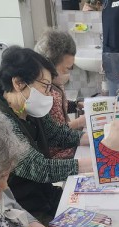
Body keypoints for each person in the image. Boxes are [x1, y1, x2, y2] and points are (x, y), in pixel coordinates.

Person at [0, 46, 93, 224]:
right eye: (45, 87)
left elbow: (58, 134)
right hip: (21, 209)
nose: (49, 95)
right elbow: (39, 168)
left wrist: (99, 140)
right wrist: (98, 163)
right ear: (19, 83)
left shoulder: (26, 106)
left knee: (93, 206)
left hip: (43, 194)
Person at [35, 29, 86, 159]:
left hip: (66, 141)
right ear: (49, 66)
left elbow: (59, 107)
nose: (68, 73)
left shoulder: (57, 84)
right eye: (65, 69)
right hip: (57, 152)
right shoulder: (44, 94)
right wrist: (79, 122)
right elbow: (54, 134)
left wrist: (76, 105)